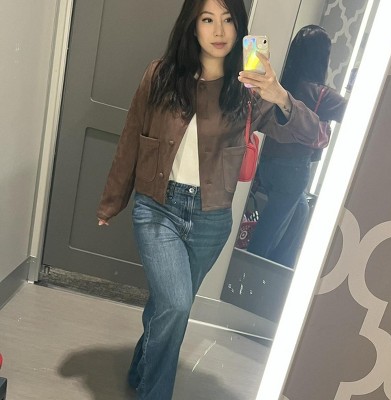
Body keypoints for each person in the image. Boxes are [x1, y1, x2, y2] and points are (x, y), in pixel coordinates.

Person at [96, 2, 320, 399]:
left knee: (167, 303)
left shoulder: (248, 92)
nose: (219, 30)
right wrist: (112, 201)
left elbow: (315, 136)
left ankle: (140, 366)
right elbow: (132, 135)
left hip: (210, 221)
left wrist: (281, 96)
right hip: (158, 209)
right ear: (192, 25)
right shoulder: (161, 75)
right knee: (177, 305)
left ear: (239, 27)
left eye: (228, 19)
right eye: (207, 19)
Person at [247, 24, 347, 267]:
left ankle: (279, 268)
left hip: (267, 164)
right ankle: (250, 272)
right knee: (270, 230)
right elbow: (359, 112)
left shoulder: (281, 83)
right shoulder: (320, 94)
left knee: (300, 211)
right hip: (292, 169)